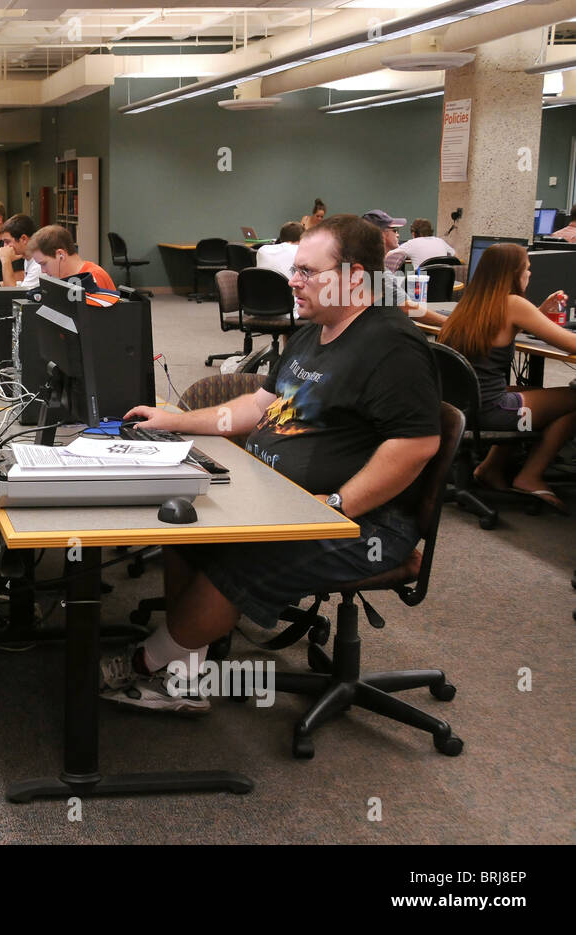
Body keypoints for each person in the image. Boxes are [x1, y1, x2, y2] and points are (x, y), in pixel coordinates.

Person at [101, 214, 441, 713]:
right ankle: (185, 673)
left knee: (242, 558)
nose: (293, 282)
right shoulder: (313, 331)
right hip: (280, 495)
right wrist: (174, 420)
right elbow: (258, 406)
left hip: (363, 521)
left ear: (354, 277)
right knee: (184, 523)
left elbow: (415, 446)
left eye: (307, 271)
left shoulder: (392, 346)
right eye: (294, 269)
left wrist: (335, 506)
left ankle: (146, 663)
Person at [438, 242, 576, 512]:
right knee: (573, 399)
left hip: (463, 407)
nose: (529, 274)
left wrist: (539, 312)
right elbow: (571, 344)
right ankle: (529, 476)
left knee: (532, 392)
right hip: (492, 412)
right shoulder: (513, 304)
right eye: (526, 268)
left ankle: (490, 469)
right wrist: (535, 313)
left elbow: (507, 325)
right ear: (513, 273)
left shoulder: (472, 303)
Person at [28, 224, 118, 306]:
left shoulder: (94, 277)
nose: (43, 270)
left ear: (61, 254)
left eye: (44, 264)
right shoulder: (65, 279)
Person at [385, 218, 456, 272]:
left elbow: (389, 254)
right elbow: (454, 255)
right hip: (443, 284)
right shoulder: (440, 241)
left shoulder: (412, 243)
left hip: (421, 284)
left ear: (413, 233)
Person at [0, 213, 40, 289]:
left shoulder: (38, 265)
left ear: (23, 239)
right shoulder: (28, 259)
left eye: (7, 242)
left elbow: (14, 294)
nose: (4, 247)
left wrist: (6, 260)